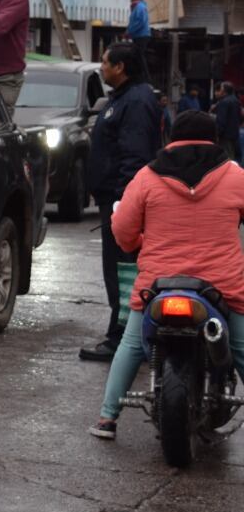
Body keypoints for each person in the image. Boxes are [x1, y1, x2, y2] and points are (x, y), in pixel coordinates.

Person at [90, 109, 244, 440]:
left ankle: (107, 418)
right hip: (222, 286)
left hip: (158, 286)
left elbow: (123, 229)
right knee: (241, 345)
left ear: (172, 138)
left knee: (130, 345)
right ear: (214, 139)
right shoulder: (235, 176)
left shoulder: (147, 176)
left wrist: (137, 244)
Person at [79, 42, 162, 363]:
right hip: (113, 199)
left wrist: (125, 203)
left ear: (121, 68)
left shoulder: (137, 101)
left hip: (122, 203)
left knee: (123, 271)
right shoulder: (125, 98)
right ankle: (126, 335)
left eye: (105, 63)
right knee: (119, 270)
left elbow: (135, 156)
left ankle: (123, 340)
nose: (101, 67)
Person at [214, 82, 242, 162]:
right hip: (235, 134)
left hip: (225, 135)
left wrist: (217, 134)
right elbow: (240, 117)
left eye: (221, 88)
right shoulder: (236, 101)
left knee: (226, 158)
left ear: (223, 90)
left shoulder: (224, 102)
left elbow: (221, 121)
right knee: (234, 157)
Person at [127, 0, 152, 71]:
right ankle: (141, 76)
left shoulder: (140, 7)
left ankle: (145, 78)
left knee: (139, 56)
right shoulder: (137, 6)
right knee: (137, 56)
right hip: (138, 35)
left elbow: (140, 21)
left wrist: (130, 31)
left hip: (141, 36)